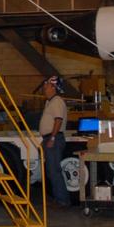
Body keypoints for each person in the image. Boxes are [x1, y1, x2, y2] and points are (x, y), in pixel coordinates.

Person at [38, 75, 71, 208]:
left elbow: (58, 120)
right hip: (50, 138)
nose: (44, 86)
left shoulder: (56, 101)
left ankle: (63, 200)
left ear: (53, 87)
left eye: (46, 84)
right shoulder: (50, 102)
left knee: (54, 171)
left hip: (54, 139)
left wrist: (51, 137)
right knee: (51, 171)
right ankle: (59, 198)